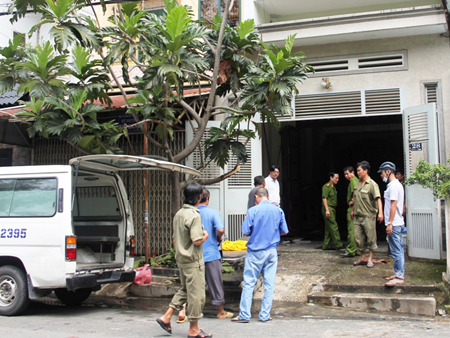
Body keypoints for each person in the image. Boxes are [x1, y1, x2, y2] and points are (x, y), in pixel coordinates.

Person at [156, 182, 212, 338]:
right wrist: (206, 235)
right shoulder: (194, 215)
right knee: (197, 294)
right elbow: (197, 240)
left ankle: (166, 317)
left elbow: (175, 239)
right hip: (193, 261)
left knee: (186, 290)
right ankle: (194, 329)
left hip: (181, 258)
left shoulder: (179, 213)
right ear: (199, 197)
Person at [231, 188, 289, 323]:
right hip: (271, 251)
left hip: (256, 251)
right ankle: (265, 314)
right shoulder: (278, 211)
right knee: (269, 284)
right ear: (267, 197)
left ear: (257, 197)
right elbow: (284, 231)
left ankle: (245, 315)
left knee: (249, 282)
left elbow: (245, 231)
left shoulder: (252, 211)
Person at [197, 188, 234, 319]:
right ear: (207, 199)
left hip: (194, 255)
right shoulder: (213, 213)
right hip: (211, 253)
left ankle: (185, 311)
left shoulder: (191, 214)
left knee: (193, 284)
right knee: (216, 283)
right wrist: (218, 237)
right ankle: (220, 311)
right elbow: (221, 229)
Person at [351, 161, 384, 268]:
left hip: (368, 216)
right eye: (357, 171)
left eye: (359, 170)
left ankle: (370, 258)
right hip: (357, 216)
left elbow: (378, 199)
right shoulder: (357, 183)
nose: (358, 173)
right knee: (358, 238)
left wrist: (380, 212)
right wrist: (352, 210)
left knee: (371, 238)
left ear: (366, 171)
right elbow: (355, 198)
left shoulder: (372, 184)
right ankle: (363, 257)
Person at [378, 162, 405, 287]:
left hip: (394, 223)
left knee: (397, 250)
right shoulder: (395, 185)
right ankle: (397, 273)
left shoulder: (394, 186)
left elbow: (393, 205)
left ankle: (399, 276)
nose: (381, 176)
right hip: (395, 223)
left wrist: (389, 223)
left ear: (388, 171)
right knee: (395, 250)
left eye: (382, 173)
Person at [321, 172, 343, 251]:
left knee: (328, 228)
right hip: (329, 208)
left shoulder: (333, 187)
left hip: (333, 208)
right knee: (334, 226)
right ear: (331, 178)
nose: (337, 180)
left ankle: (326, 245)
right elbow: (324, 198)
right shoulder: (327, 187)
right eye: (336, 178)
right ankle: (338, 244)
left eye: (338, 178)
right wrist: (327, 210)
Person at [341, 166, 359, 258]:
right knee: (356, 230)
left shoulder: (353, 181)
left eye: (347, 173)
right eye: (345, 174)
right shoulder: (356, 180)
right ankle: (356, 249)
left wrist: (352, 203)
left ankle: (351, 250)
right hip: (356, 208)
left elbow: (355, 194)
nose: (346, 176)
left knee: (351, 230)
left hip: (352, 208)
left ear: (353, 172)